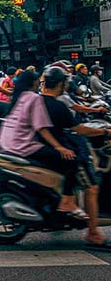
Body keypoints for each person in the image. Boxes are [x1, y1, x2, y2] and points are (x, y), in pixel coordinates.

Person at [0, 70, 85, 221]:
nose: (39, 82)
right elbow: (41, 128)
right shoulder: (34, 98)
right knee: (71, 160)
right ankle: (66, 202)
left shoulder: (18, 97)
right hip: (23, 145)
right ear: (33, 83)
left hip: (7, 142)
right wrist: (60, 147)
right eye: (37, 80)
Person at [40, 66, 111, 248]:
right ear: (61, 84)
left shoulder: (38, 101)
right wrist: (104, 130)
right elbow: (78, 129)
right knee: (92, 186)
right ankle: (93, 233)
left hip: (42, 148)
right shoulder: (58, 105)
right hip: (62, 149)